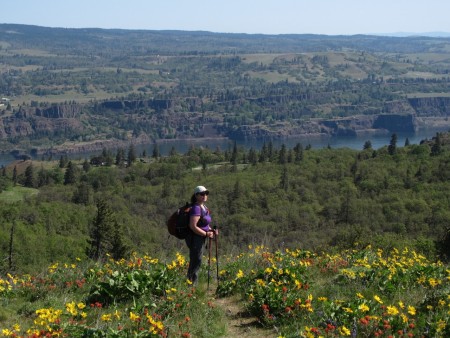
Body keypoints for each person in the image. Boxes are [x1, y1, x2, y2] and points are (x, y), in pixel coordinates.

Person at [185, 185, 216, 284]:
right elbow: (193, 226)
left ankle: (191, 284)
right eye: (202, 194)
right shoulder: (196, 208)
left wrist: (211, 230)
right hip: (195, 238)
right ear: (196, 195)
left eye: (206, 193)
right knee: (196, 261)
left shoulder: (204, 207)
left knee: (197, 260)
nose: (204, 195)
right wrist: (206, 234)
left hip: (201, 237)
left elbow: (204, 223)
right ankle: (191, 285)